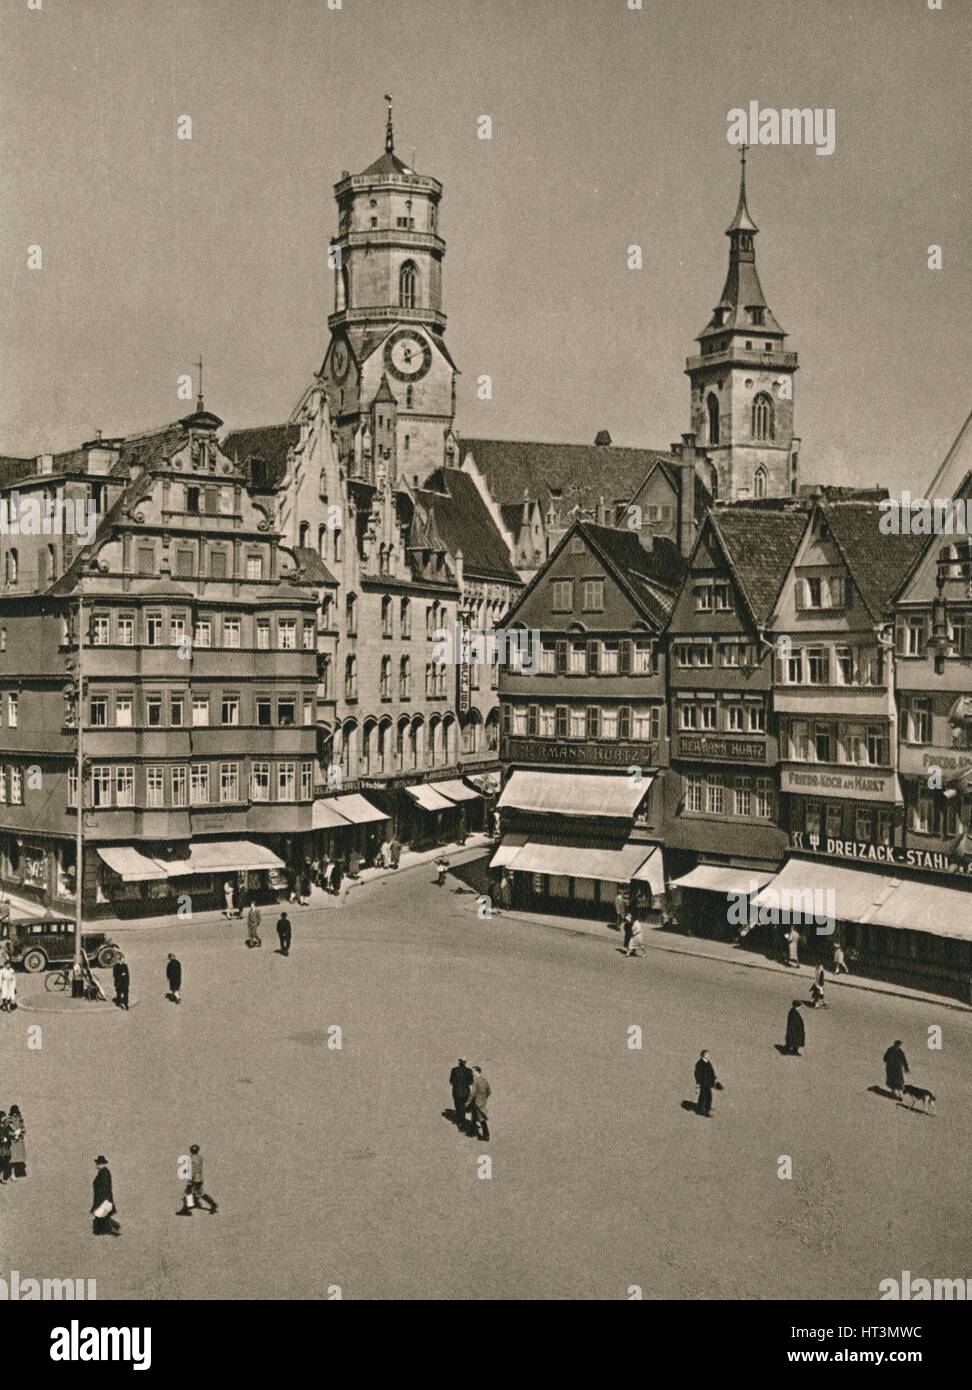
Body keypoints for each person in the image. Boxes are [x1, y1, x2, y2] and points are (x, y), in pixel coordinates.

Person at [178, 1144, 218, 1216]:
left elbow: (192, 1169)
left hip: (193, 1179)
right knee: (200, 1193)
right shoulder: (200, 1158)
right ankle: (213, 1204)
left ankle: (186, 1210)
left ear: (191, 1150)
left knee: (187, 1193)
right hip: (200, 1178)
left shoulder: (190, 1158)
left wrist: (189, 1178)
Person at [91, 1156, 118, 1236]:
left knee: (101, 1215)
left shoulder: (104, 1173)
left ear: (101, 1164)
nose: (96, 1165)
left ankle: (104, 1231)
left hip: (103, 1198)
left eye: (97, 1164)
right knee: (103, 1216)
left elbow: (104, 1188)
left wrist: (102, 1200)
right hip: (103, 1198)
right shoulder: (103, 1172)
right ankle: (107, 1230)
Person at [449, 1057, 473, 1132]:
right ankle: (462, 1122)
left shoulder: (454, 1070)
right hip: (466, 1092)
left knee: (457, 1105)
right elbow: (471, 1082)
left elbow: (451, 1081)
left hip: (456, 1091)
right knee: (463, 1106)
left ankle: (460, 1122)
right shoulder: (469, 1071)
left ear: (459, 1062)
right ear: (465, 1063)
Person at [468, 1066, 491, 1141]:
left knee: (481, 1119)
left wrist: (468, 1102)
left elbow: (473, 1093)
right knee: (474, 1116)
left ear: (477, 1072)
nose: (472, 1073)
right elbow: (489, 1091)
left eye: (473, 1071)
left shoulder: (476, 1081)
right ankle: (471, 1131)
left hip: (476, 1102)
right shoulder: (484, 1080)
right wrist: (484, 1098)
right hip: (483, 1102)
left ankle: (486, 1135)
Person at [694, 1050, 717, 1118]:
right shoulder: (699, 1063)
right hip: (703, 1083)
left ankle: (702, 1108)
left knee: (704, 1096)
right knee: (706, 1096)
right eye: (707, 1054)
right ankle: (705, 1111)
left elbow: (711, 1071)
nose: (709, 1056)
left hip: (708, 1083)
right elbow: (697, 1074)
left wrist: (713, 1078)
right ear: (703, 1055)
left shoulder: (708, 1062)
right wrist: (698, 1083)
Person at [7, 1105, 26, 1180]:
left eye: (16, 1113)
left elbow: (23, 1129)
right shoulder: (8, 1121)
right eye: (13, 1113)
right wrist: (13, 1134)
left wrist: (21, 1131)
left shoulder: (20, 1120)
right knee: (12, 1159)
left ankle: (16, 1172)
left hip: (19, 1142)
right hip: (12, 1142)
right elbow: (6, 1130)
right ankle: (12, 1174)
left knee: (17, 1159)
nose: (15, 1115)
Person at [0, 1112, 10, 1184]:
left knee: (6, 1161)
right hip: (1, 1147)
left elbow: (8, 1134)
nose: (5, 1118)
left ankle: (4, 1178)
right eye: (3, 1117)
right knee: (3, 1162)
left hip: (6, 1147)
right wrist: (2, 1139)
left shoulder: (6, 1126)